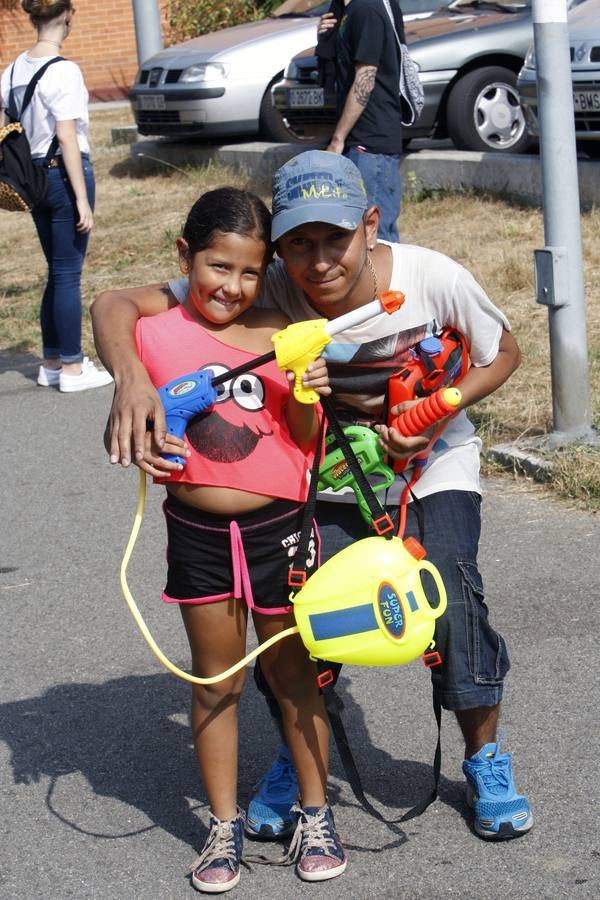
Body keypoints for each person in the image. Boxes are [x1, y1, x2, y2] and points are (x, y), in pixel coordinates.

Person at [91, 149, 533, 847]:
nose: (318, 260)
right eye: (298, 244)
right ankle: (300, 765)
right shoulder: (263, 282)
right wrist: (130, 380)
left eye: (336, 238)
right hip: (325, 474)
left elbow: (501, 350)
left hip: (432, 460)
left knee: (448, 589)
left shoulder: (430, 276)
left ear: (370, 223)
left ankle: (484, 756)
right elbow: (117, 301)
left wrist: (440, 411)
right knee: (304, 617)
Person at [120, 186, 347, 892]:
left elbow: (305, 441)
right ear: (186, 256)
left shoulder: (283, 334)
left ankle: (316, 813)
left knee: (293, 675)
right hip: (196, 531)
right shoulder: (153, 331)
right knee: (215, 678)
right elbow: (106, 305)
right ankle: (224, 828)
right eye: (219, 267)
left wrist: (310, 391)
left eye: (250, 272)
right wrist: (128, 381)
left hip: (279, 527)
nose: (234, 287)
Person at [0, 0, 112, 392]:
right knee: (68, 274)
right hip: (64, 176)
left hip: (32, 178)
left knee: (56, 271)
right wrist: (82, 199)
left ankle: (50, 361)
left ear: (33, 18)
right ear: (67, 16)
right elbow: (66, 135)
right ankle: (71, 368)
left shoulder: (11, 71)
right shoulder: (64, 70)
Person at [319, 0, 407, 242]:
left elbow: (365, 81)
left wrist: (338, 139)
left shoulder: (367, 9)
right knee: (358, 235)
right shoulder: (347, 11)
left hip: (370, 144)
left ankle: (389, 282)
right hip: (361, 142)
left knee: (377, 239)